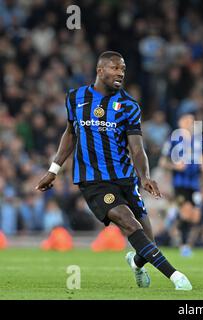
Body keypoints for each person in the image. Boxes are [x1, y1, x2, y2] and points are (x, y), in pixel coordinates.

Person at [35, 51, 192, 290]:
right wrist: (54, 169)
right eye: (115, 68)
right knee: (129, 223)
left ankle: (136, 263)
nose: (120, 73)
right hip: (94, 181)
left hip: (125, 179)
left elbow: (137, 148)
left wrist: (145, 176)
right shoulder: (75, 98)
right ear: (100, 70)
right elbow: (69, 134)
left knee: (146, 239)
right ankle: (175, 276)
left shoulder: (128, 106)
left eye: (123, 70)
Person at [159, 113, 203, 257]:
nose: (189, 124)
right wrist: (175, 166)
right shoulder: (173, 139)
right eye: (187, 121)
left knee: (196, 217)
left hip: (195, 184)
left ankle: (186, 244)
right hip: (180, 184)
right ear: (180, 122)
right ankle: (182, 245)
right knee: (186, 213)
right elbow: (162, 162)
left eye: (192, 121)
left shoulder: (198, 141)